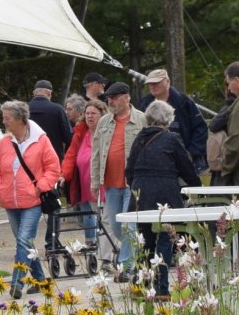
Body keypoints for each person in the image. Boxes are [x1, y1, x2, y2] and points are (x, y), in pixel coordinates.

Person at [125, 100, 202, 299]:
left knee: (146, 241)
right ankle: (161, 287)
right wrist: (196, 186)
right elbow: (186, 167)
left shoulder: (139, 138)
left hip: (140, 193)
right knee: (166, 238)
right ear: (168, 120)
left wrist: (137, 187)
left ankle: (143, 285)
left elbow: (129, 170)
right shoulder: (171, 138)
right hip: (165, 193)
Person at [0, 100, 61, 299]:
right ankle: (39, 280)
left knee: (23, 240)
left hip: (32, 201)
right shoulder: (5, 142)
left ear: (20, 119)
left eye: (7, 118)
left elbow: (54, 168)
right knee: (26, 243)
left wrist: (41, 187)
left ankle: (17, 283)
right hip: (9, 201)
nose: (4, 122)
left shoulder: (41, 140)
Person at [89, 82, 146, 280]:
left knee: (128, 225)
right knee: (114, 225)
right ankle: (138, 254)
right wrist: (95, 182)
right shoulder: (104, 122)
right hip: (111, 183)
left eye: (114, 97)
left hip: (133, 183)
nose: (110, 101)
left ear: (126, 97)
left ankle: (125, 267)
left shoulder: (141, 119)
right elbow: (96, 153)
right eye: (108, 98)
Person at [136, 68, 207, 173]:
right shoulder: (145, 103)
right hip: (154, 161)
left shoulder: (184, 102)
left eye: (156, 82)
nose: (152, 86)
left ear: (167, 82)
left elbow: (200, 129)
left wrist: (191, 153)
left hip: (183, 162)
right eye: (150, 83)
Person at [60, 98, 104, 246]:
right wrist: (63, 175)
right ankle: (91, 241)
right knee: (86, 212)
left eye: (94, 113)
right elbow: (70, 155)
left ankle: (104, 241)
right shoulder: (80, 133)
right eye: (87, 113)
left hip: (102, 181)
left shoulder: (106, 132)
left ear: (102, 115)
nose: (90, 116)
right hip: (83, 181)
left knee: (102, 213)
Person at [29, 81, 73, 160]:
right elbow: (68, 137)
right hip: (52, 157)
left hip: (27, 157)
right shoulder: (57, 109)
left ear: (33, 93)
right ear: (50, 94)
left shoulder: (23, 109)